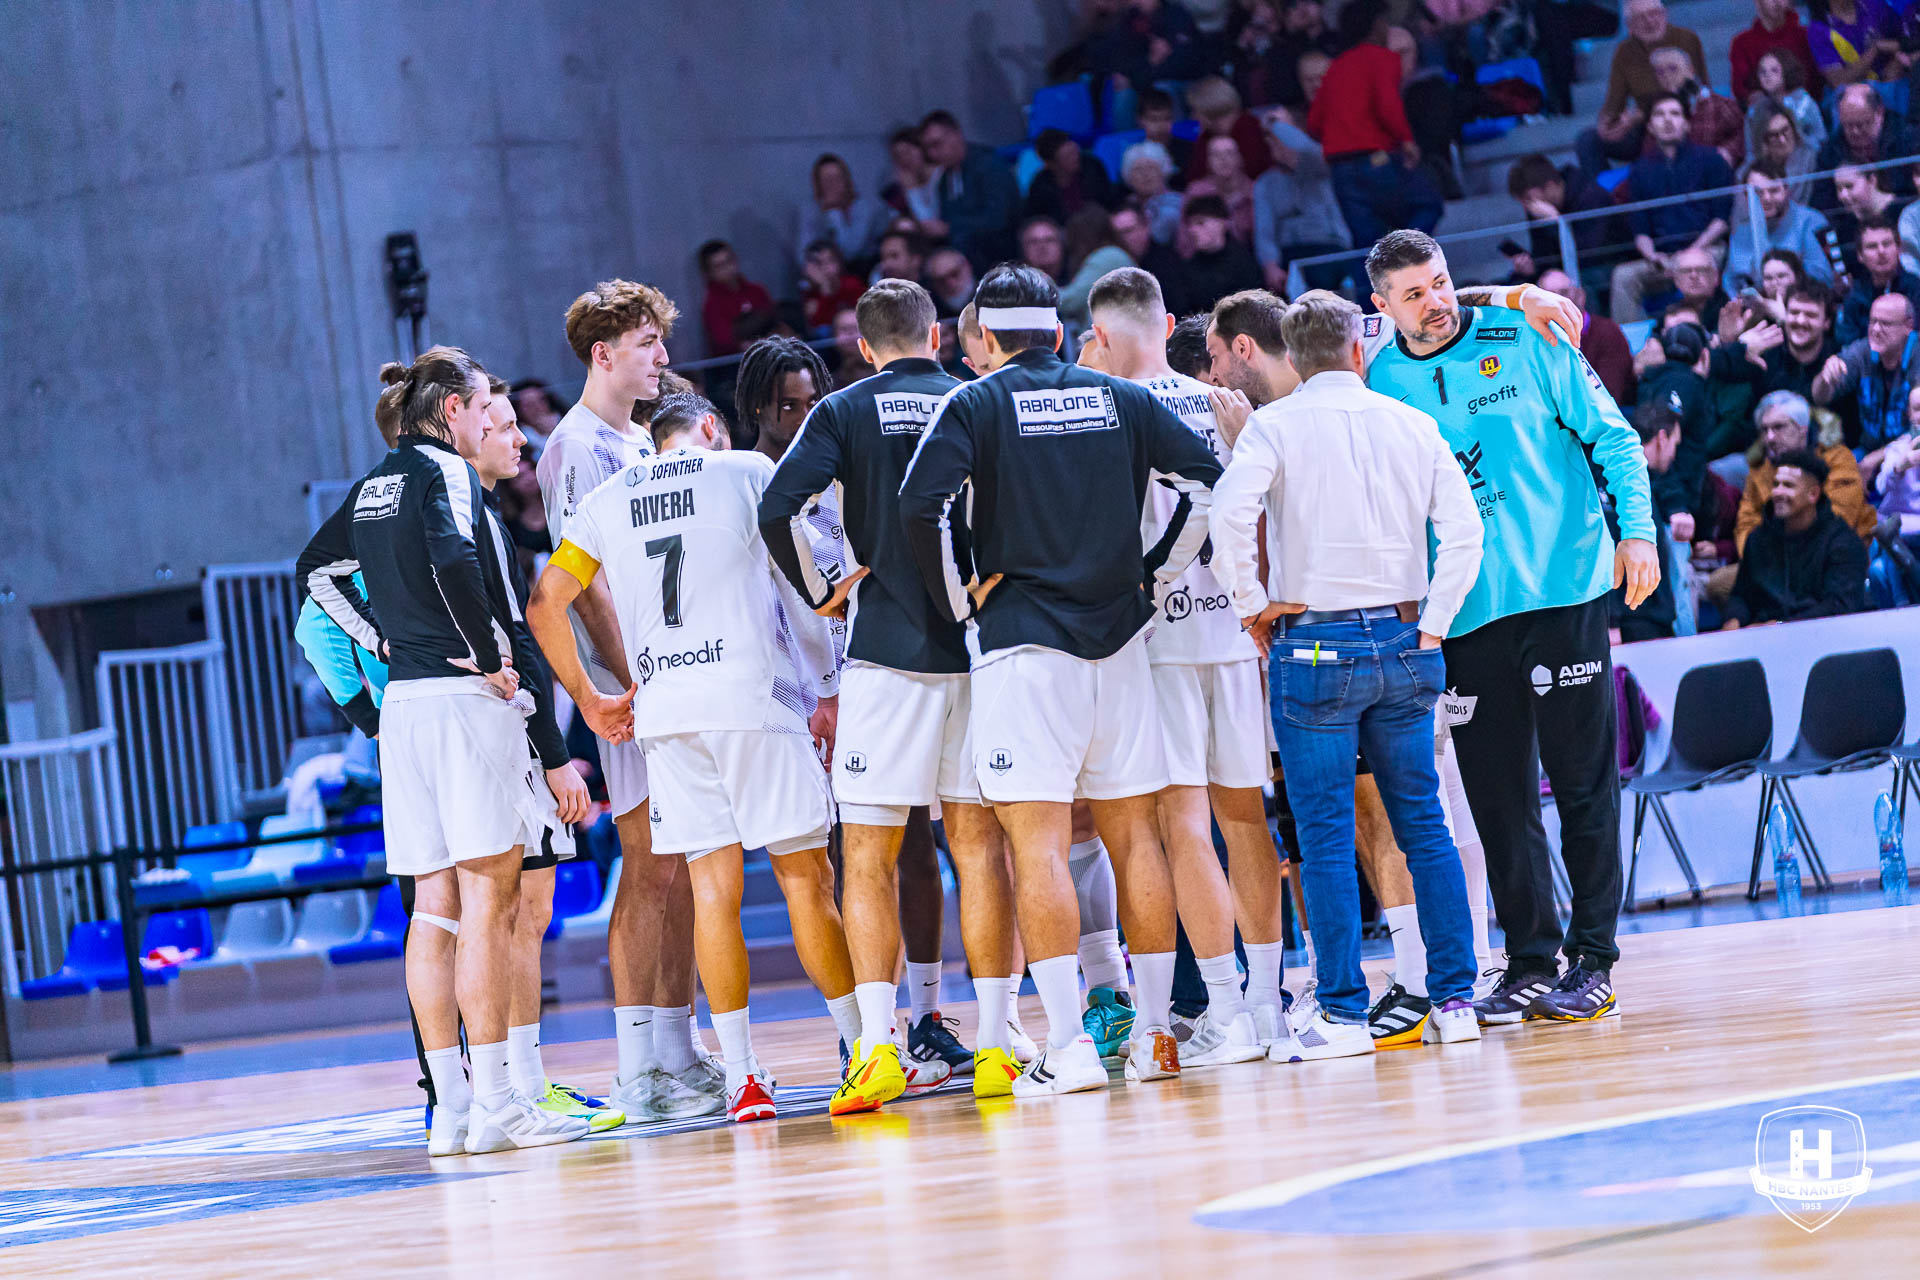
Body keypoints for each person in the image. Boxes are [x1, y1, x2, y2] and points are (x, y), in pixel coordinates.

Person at [899, 262, 1226, 1094]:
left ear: (985, 337)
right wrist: (1153, 575)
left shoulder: (973, 402)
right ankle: (1155, 1034)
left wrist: (957, 602)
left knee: (1036, 845)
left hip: (1024, 649)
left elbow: (918, 508)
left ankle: (1073, 1048)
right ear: (1057, 326)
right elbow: (1205, 481)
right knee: (1135, 837)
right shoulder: (1119, 396)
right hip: (1120, 642)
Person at [529, 393, 859, 1124]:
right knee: (806, 877)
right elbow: (802, 586)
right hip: (753, 700)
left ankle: (743, 1078)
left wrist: (588, 699)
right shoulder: (746, 470)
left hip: (666, 715)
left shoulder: (612, 497)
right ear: (711, 428)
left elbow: (546, 600)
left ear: (656, 438)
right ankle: (862, 1049)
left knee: (713, 892)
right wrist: (827, 687)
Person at [1365, 230, 1659, 1026]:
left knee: (1582, 781)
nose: (1437, 300)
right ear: (1381, 307)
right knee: (1496, 800)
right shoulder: (1378, 376)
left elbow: (1616, 438)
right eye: (1415, 293)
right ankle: (1530, 959)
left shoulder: (1531, 333)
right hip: (1463, 613)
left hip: (1563, 590)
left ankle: (1592, 958)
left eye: (1443, 282)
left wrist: (1638, 530)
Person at [757, 279, 1024, 1106]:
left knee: (866, 856)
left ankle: (877, 1048)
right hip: (975, 649)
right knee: (979, 849)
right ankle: (994, 1044)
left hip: (882, 654)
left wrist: (826, 586)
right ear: (938, 334)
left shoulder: (839, 410)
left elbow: (777, 508)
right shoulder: (977, 397)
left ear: (866, 347)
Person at [1210, 288, 1483, 1058]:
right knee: (1424, 827)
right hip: (1404, 639)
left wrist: (1250, 606)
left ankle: (1344, 1016)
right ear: (1358, 351)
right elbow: (1465, 533)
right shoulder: (1412, 423)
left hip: (1314, 647)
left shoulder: (1274, 424)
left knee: (1326, 838)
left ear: (1293, 358)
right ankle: (1456, 1000)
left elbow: (1231, 515)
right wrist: (1434, 623)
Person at [335, 347, 592, 1154]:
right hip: (462, 699)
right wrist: (485, 652)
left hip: (404, 707)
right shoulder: (444, 475)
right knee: (490, 903)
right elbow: (455, 562)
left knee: (433, 912)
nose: (495, 422)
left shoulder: (374, 482)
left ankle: (449, 1110)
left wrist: (389, 645)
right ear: (453, 412)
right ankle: (499, 1107)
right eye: (487, 407)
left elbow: (318, 574)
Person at [1082, 266, 1287, 1060]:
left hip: (1158, 638)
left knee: (1180, 828)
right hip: (1234, 631)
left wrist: (1151, 577)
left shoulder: (1109, 410)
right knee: (1246, 818)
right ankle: (1266, 1007)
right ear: (1169, 326)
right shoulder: (1223, 403)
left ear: (1100, 337)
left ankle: (1225, 1016)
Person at [535, 281, 718, 1123]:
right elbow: (585, 587)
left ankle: (678, 1051)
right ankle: (640, 1065)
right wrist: (632, 674)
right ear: (603, 354)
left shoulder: (641, 442)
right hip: (630, 688)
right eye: (649, 344)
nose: (664, 359)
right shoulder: (575, 447)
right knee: (647, 868)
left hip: (671, 675)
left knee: (679, 864)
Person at [1308, 0, 1441, 250]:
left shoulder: (1335, 67)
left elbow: (1315, 122)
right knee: (1428, 204)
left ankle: (1371, 286)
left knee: (1366, 246)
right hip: (1377, 160)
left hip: (1341, 170)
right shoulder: (1382, 58)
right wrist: (1407, 140)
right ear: (1377, 24)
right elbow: (1387, 105)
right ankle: (1406, 253)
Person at [1610, 95, 1736, 324]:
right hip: (1663, 260)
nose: (1667, 120)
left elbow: (1722, 220)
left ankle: (1715, 329)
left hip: (1708, 249)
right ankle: (1635, 350)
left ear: (1687, 123)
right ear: (1650, 126)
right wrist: (1652, 256)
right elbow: (1640, 230)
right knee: (1623, 276)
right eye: (1660, 114)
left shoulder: (1712, 160)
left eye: (1675, 114)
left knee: (1702, 264)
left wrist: (1691, 253)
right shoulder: (1640, 170)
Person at [1723, 449, 1871, 625]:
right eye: (1775, 484)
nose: (1777, 493)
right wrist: (1732, 621)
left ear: (1813, 494)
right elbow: (1741, 595)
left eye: (1788, 485)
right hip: (1761, 640)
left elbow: (1839, 606)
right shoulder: (1757, 539)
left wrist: (1779, 626)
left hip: (1822, 640)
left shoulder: (1843, 543)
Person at [1736, 391, 1881, 556]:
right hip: (1774, 563)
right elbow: (1746, 523)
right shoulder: (1760, 471)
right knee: (1716, 581)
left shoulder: (1837, 459)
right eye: (1765, 429)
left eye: (1778, 427)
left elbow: (1838, 518)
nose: (1770, 438)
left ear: (1802, 429)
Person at [1580, 0, 1708, 176]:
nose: (1650, 22)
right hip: (1643, 126)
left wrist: (1640, 114)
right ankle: (1602, 198)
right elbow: (1614, 102)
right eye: (1641, 18)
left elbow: (1697, 89)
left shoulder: (1686, 39)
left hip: (1684, 119)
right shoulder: (1624, 52)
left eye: (1654, 14)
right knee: (1588, 140)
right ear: (1629, 26)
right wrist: (1608, 122)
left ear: (1664, 14)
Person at [1815, 289, 1920, 471]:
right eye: (1873, 322)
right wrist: (1826, 378)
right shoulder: (1863, 351)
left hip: (1910, 454)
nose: (1876, 330)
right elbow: (1820, 398)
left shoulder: (1917, 356)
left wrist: (1878, 457)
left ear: (1908, 326)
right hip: (1865, 451)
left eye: (1886, 324)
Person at [1252, 112, 1348, 294]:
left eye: (1280, 138)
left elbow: (1307, 148)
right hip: (1290, 253)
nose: (1276, 144)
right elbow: (1264, 230)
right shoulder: (1265, 183)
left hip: (1328, 247)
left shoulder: (1318, 167)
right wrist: (1270, 265)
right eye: (1271, 140)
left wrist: (1276, 126)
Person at [1615, 403, 1686, 642]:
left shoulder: (1642, 480)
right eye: (1675, 445)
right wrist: (1611, 619)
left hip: (1649, 617)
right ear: (1662, 438)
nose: (1675, 454)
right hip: (1635, 623)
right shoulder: (1621, 483)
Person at [919, 109, 1022, 270]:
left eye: (937, 144)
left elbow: (998, 218)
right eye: (928, 148)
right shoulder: (945, 179)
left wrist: (949, 228)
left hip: (1002, 254)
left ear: (956, 134)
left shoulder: (990, 166)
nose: (933, 154)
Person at [1725, 167, 1833, 297]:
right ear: (1747, 196)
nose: (1767, 198)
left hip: (1802, 302)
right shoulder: (1741, 230)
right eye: (1758, 193)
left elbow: (1823, 277)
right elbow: (1731, 282)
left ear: (1787, 190)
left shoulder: (1811, 220)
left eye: (1774, 190)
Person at [1815, 85, 1917, 210]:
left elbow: (1913, 192)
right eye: (1848, 125)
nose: (1855, 132)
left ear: (1879, 113)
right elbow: (1824, 204)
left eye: (1861, 124)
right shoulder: (1831, 152)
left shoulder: (1909, 138)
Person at [1163, 194, 1264, 318]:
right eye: (1190, 225)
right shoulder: (1187, 269)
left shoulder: (1244, 264)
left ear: (1223, 222)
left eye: (1200, 223)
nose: (1192, 230)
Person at [798, 153, 891, 272]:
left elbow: (851, 252)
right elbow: (803, 254)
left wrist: (833, 212)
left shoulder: (864, 207)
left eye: (836, 178)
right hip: (826, 273)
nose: (832, 184)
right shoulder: (811, 210)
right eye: (826, 180)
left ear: (846, 180)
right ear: (818, 184)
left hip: (863, 270)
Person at [1838, 217, 1920, 345]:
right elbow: (1850, 346)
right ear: (1860, 255)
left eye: (1886, 244)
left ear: (1899, 248)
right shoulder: (1854, 298)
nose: (1881, 251)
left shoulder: (1916, 288)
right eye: (1872, 247)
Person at [1184, 75, 1276, 186]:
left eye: (1195, 110)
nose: (1192, 116)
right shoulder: (1206, 136)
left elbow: (1252, 171)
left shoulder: (1249, 128)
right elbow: (1194, 177)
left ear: (1209, 107)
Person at [1059, 207, 1136, 339]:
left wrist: (1039, 288)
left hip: (1113, 344)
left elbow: (1072, 300)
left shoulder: (1107, 257)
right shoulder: (1114, 254)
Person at [698, 241, 777, 359]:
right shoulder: (712, 305)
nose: (727, 268)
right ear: (709, 273)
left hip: (772, 353)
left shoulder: (757, 291)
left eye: (729, 261)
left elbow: (774, 319)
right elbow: (726, 342)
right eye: (719, 266)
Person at [1807, 0, 1907, 91]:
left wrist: (1897, 61)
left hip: (1895, 79)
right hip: (1855, 91)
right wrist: (1875, 49)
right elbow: (1838, 82)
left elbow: (1908, 40)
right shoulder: (1818, 31)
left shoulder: (1874, 5)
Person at [1180, 134, 1258, 251]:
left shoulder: (1254, 191)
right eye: (1216, 155)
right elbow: (1184, 240)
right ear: (1208, 162)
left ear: (1240, 159)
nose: (1224, 159)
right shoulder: (1196, 192)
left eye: (1229, 153)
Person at [1025, 128, 1117, 225]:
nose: (1076, 158)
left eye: (1075, 152)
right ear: (1052, 164)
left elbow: (1109, 201)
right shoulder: (1040, 187)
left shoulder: (1093, 167)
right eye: (1068, 157)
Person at [1733, 0, 1818, 101]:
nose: (1777, 1)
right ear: (1757, 2)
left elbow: (1818, 80)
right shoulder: (1742, 43)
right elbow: (1740, 88)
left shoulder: (1806, 35)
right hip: (1764, 110)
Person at [799, 239, 867, 338]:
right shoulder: (809, 293)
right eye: (819, 263)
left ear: (839, 262)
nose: (825, 267)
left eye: (830, 261)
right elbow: (817, 326)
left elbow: (864, 316)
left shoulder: (852, 284)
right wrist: (824, 288)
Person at [1122, 140, 1185, 245]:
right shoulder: (1126, 205)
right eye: (1138, 170)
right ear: (1129, 177)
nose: (1145, 175)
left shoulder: (1178, 203)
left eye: (1151, 168)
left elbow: (1157, 238)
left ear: (1164, 171)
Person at [881, 128, 940, 225]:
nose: (904, 159)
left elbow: (927, 222)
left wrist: (912, 191)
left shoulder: (940, 177)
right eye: (897, 156)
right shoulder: (899, 187)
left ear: (922, 149)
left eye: (907, 152)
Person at [874, 228, 928, 292]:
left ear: (915, 259)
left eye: (894, 256)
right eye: (883, 258)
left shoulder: (932, 296)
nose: (887, 263)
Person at [1019, 215, 1068, 284]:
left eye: (1049, 240)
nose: (1042, 246)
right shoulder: (1014, 287)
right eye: (1034, 242)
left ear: (1061, 245)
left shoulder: (1080, 283)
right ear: (1023, 249)